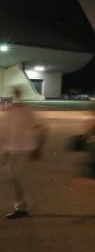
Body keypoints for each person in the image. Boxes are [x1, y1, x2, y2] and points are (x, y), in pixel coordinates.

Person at [0, 88, 47, 219]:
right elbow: (6, 131)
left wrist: (39, 147)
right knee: (12, 176)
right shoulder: (11, 111)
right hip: (13, 150)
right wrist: (6, 148)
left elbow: (41, 128)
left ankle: (21, 208)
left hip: (23, 149)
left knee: (12, 175)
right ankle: (21, 207)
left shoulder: (27, 110)